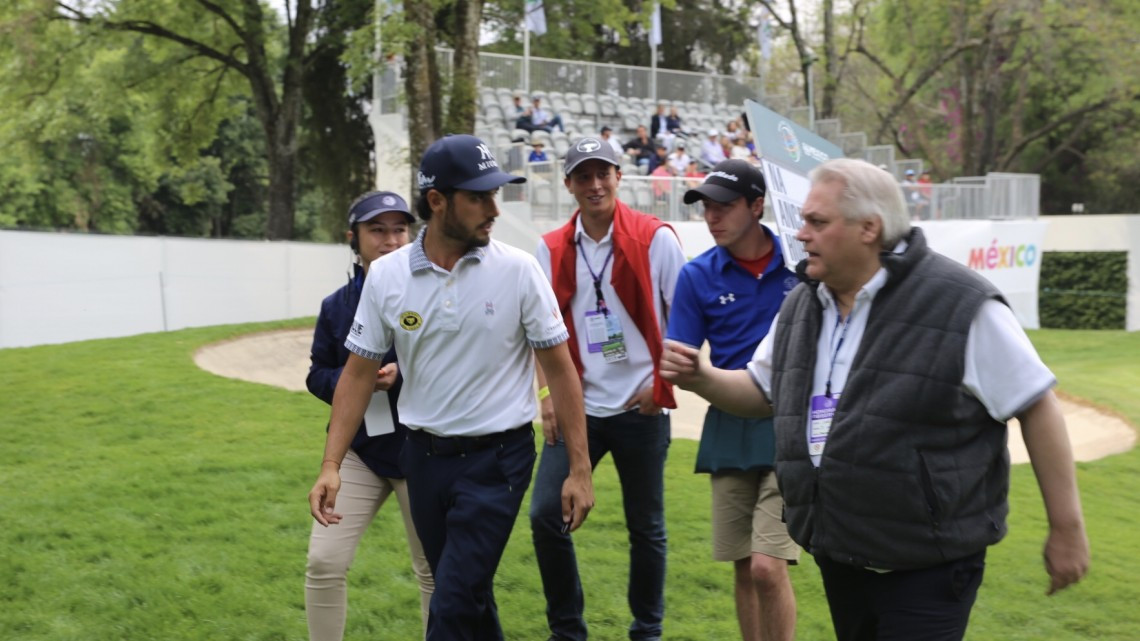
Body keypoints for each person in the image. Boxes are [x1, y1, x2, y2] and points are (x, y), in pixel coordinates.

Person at [660, 158, 1090, 641]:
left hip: (931, 558)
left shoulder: (960, 303)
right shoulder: (803, 303)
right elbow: (761, 392)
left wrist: (1067, 528)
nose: (801, 235)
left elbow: (1035, 403)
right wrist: (703, 377)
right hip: (842, 552)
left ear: (869, 228)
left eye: (817, 222)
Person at [308, 134, 595, 641]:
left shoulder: (519, 270)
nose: (493, 209)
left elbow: (561, 369)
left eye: (495, 195)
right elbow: (355, 374)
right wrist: (331, 465)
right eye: (478, 197)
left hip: (498, 463)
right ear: (437, 202)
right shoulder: (387, 277)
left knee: (452, 604)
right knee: (469, 599)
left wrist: (579, 469)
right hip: (422, 460)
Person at [531, 136, 686, 641]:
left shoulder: (654, 238)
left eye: (604, 173)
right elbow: (537, 331)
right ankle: (568, 629)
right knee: (544, 516)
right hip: (580, 408)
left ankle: (647, 629)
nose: (594, 185)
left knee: (647, 528)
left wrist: (659, 385)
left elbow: (684, 319)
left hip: (641, 407)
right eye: (583, 175)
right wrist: (548, 396)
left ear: (620, 176)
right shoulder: (550, 247)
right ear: (569, 183)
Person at [666, 160, 799, 641]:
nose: (712, 216)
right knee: (744, 567)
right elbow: (682, 360)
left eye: (724, 206)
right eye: (706, 207)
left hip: (790, 425)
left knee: (768, 566)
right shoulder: (696, 276)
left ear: (758, 205)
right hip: (728, 425)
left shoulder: (803, 266)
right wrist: (679, 369)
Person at [304, 191, 434, 641]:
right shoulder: (335, 306)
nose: (391, 239)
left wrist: (405, 373)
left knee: (434, 572)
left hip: (424, 451)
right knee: (323, 563)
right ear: (353, 239)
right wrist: (354, 378)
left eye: (400, 229)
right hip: (360, 451)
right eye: (377, 230)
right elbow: (316, 375)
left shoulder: (436, 293)